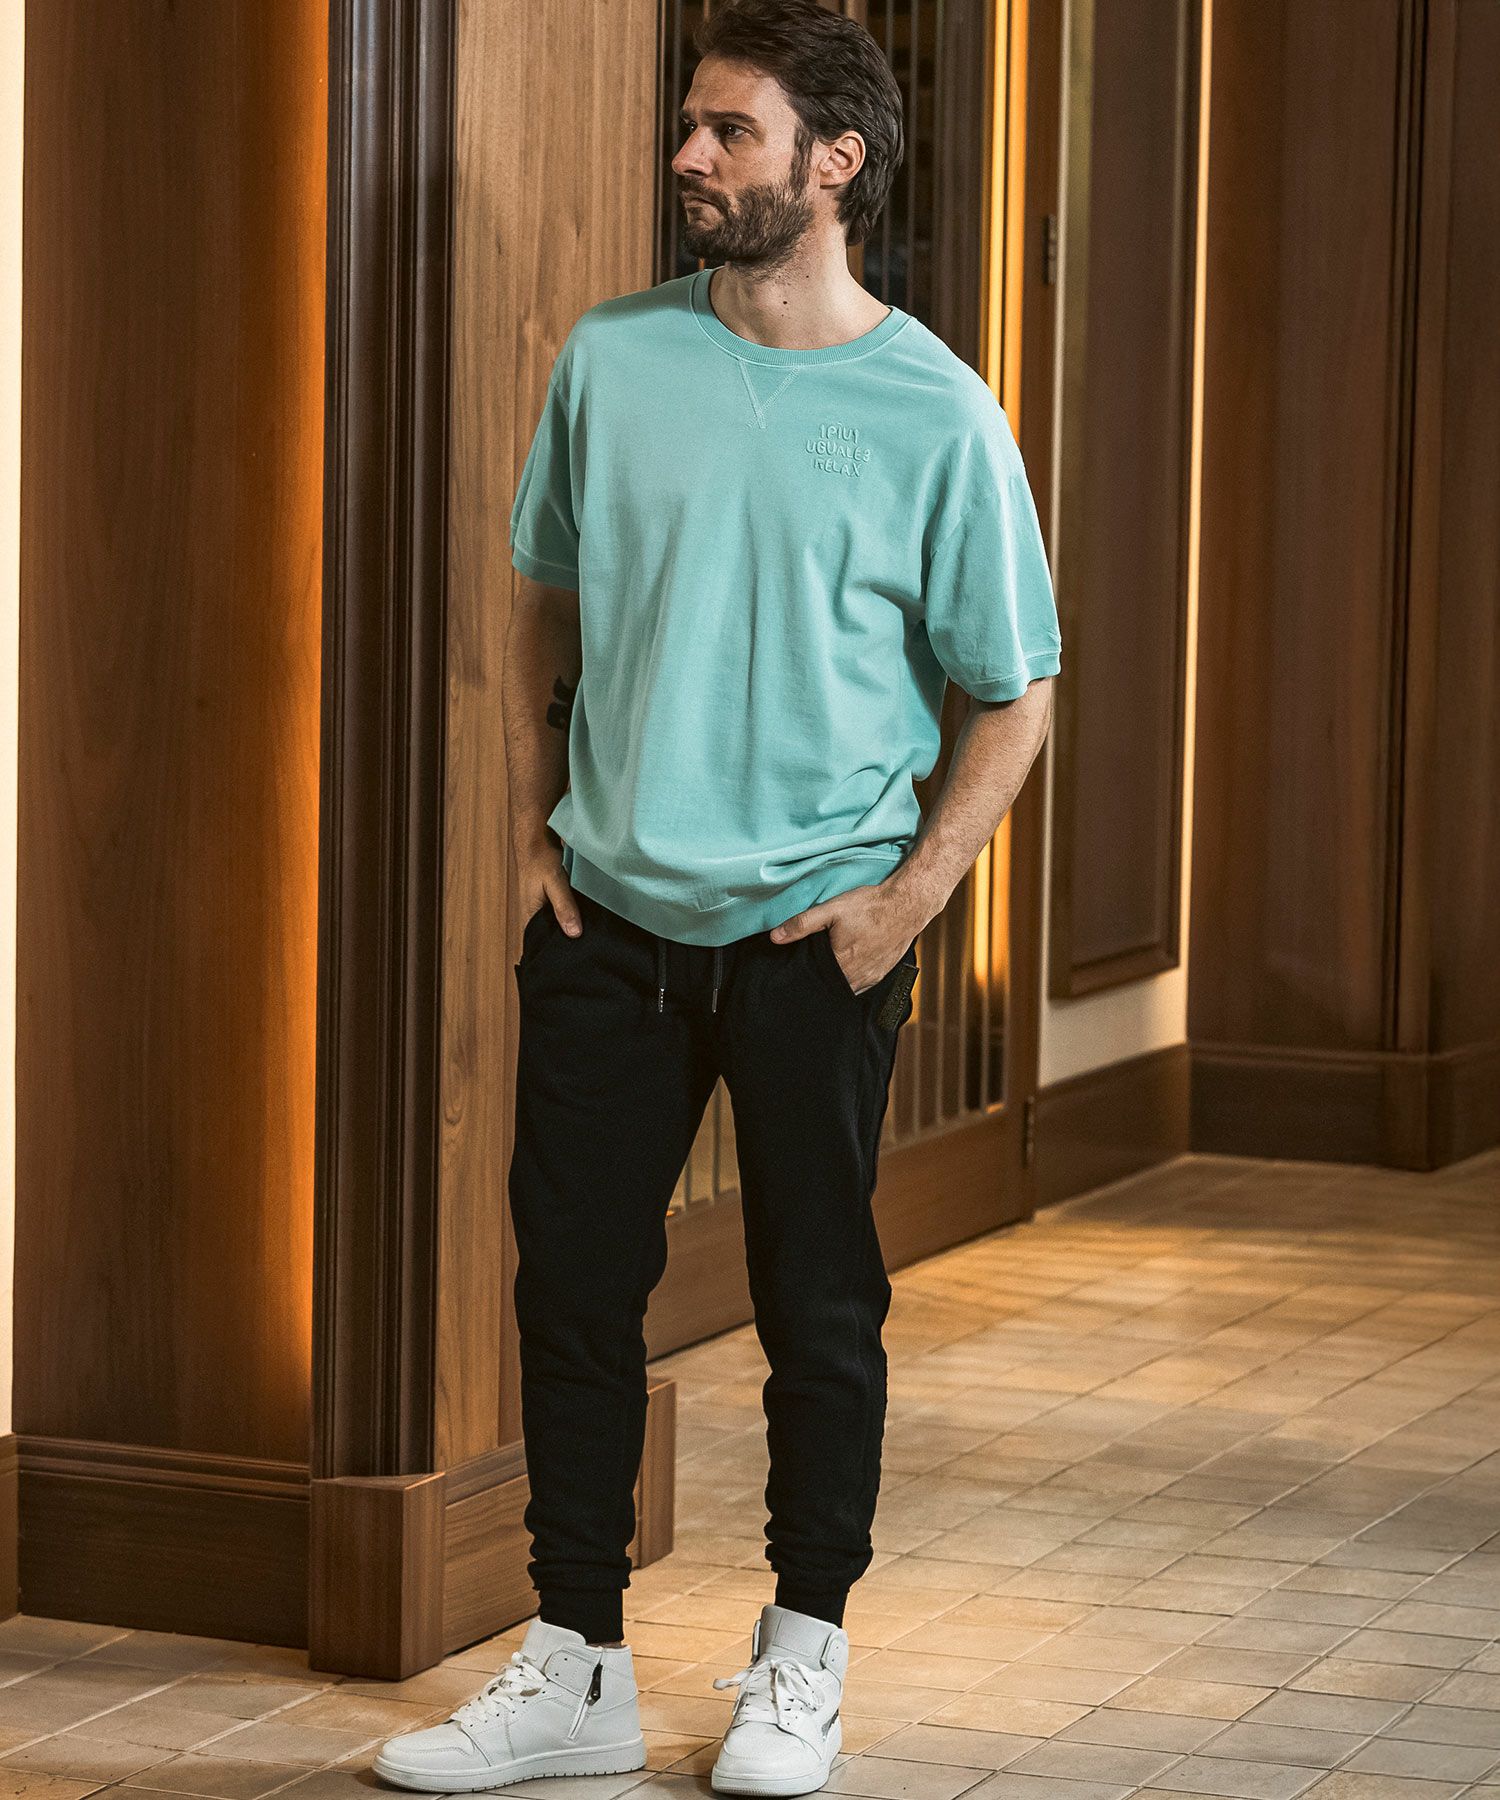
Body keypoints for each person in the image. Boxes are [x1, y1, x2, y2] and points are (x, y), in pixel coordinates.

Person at [374, 1, 1059, 1794]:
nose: (688, 155)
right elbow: (544, 588)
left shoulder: (937, 412)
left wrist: (907, 903)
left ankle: (800, 1660)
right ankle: (577, 1666)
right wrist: (536, 826)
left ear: (835, 163)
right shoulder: (613, 359)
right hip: (608, 924)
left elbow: (1016, 692)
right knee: (572, 1298)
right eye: (688, 124)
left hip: (815, 935)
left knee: (817, 1311)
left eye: (729, 132)